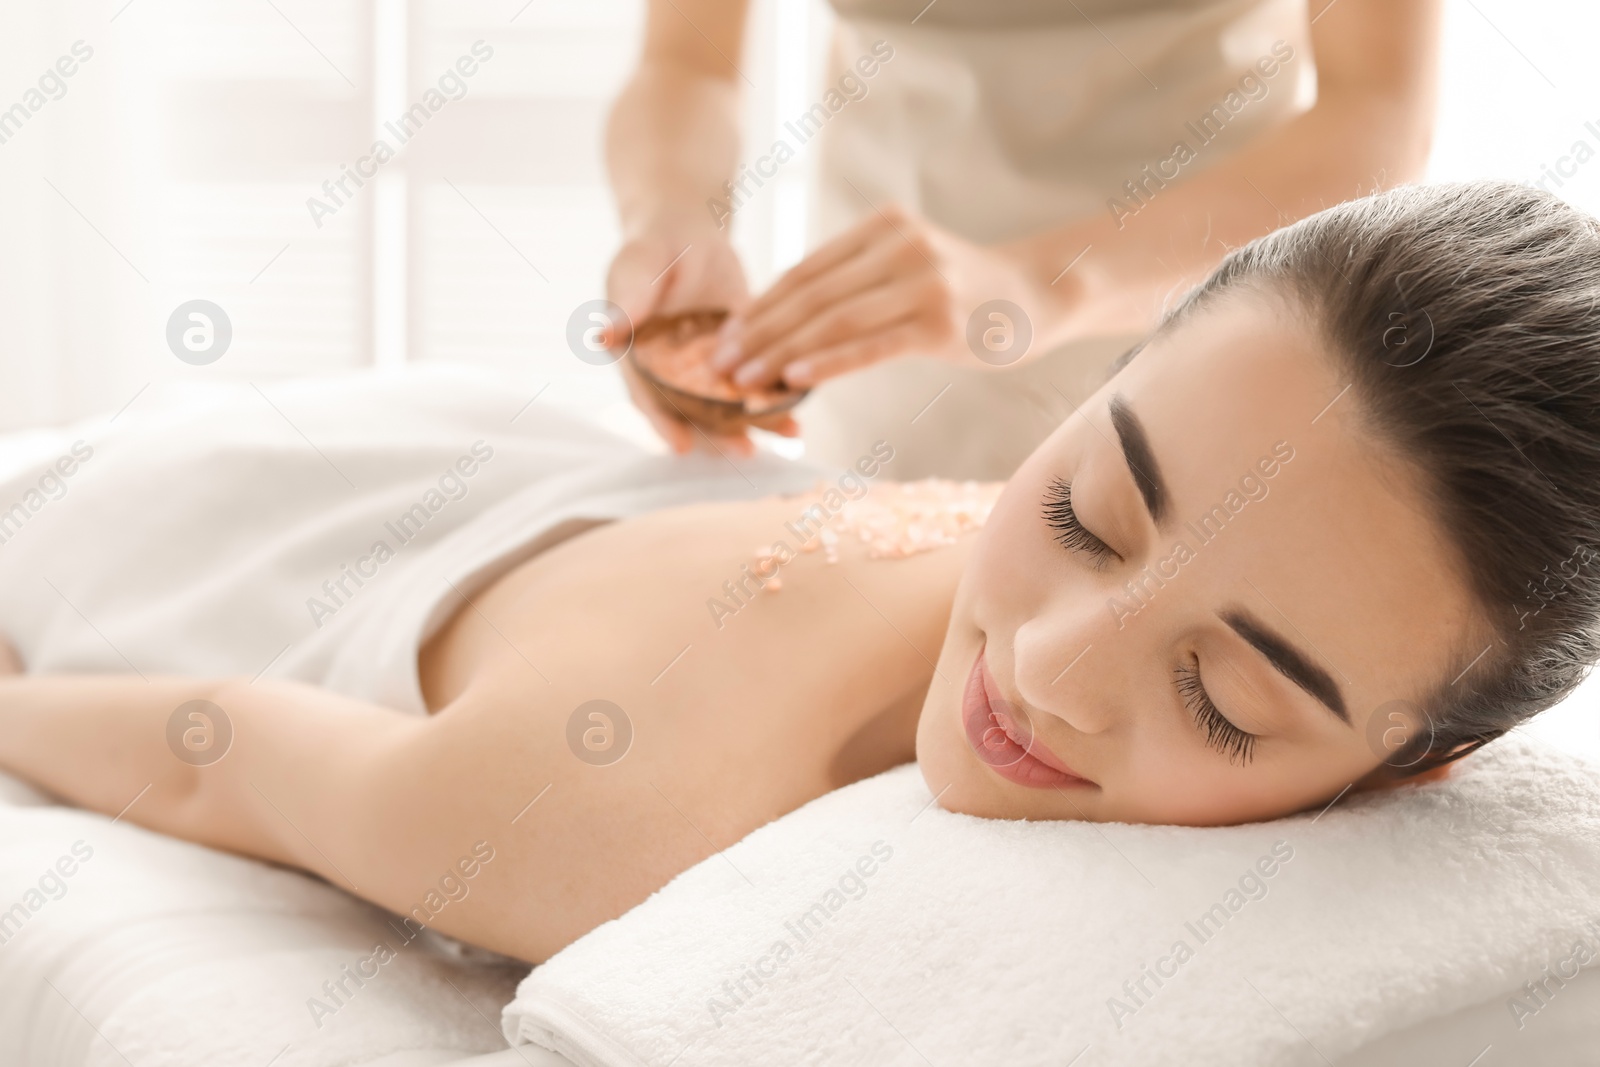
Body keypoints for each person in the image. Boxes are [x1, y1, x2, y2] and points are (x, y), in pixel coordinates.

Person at [3, 183, 1597, 966]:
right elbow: (218, 753)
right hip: (210, 520)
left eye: (1222, 691)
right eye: (1089, 509)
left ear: (1423, 764)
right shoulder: (592, 814)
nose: (1051, 663)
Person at [606, 0, 1441, 478]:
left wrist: (1048, 282)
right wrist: (671, 215)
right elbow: (688, 62)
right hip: (875, 383)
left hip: (1196, 366)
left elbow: (1376, 114)